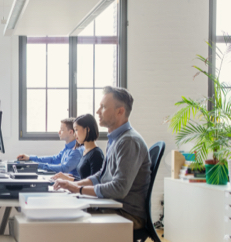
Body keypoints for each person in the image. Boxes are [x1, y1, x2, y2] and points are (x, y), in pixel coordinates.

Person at [53, 87, 151, 229]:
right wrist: (74, 186)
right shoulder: (115, 139)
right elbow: (101, 176)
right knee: (64, 210)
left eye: (103, 107)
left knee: (66, 219)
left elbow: (119, 189)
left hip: (127, 213)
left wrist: (77, 189)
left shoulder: (129, 141)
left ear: (120, 111)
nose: (98, 112)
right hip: (113, 205)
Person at [17, 118, 84, 176]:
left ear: (71, 132)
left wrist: (38, 165)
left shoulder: (76, 150)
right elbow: (54, 159)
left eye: (62, 130)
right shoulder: (67, 148)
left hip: (73, 185)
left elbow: (64, 169)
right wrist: (30, 158)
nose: (59, 132)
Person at [52, 114, 104, 181]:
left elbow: (94, 184)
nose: (74, 134)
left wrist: (70, 179)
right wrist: (68, 178)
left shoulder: (96, 154)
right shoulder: (85, 151)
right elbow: (85, 179)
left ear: (87, 129)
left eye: (76, 130)